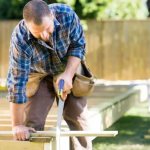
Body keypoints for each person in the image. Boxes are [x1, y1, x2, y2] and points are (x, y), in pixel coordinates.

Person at [7, 0, 92, 149]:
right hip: (38, 73)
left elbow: (78, 46)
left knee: (77, 117)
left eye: (47, 28)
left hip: (67, 66)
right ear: (27, 26)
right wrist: (17, 125)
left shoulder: (66, 15)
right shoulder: (20, 39)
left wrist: (67, 74)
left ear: (52, 16)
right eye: (37, 33)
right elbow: (17, 83)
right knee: (33, 122)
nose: (45, 36)